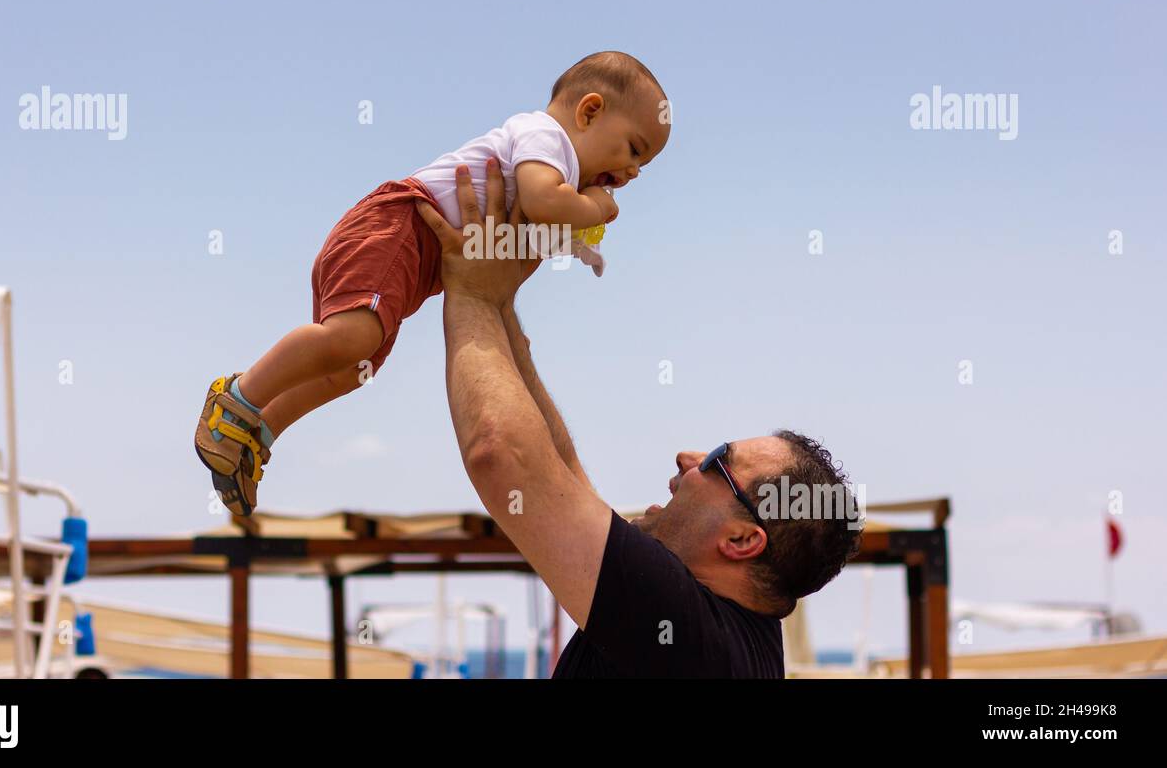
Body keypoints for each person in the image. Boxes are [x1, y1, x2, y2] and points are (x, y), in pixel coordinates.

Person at [414, 160, 864, 677]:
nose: (688, 456)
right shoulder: (714, 629)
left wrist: (468, 292)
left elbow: (502, 456)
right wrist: (500, 303)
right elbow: (559, 474)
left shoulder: (687, 632)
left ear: (741, 541)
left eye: (717, 461)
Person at [192, 51, 670, 516]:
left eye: (642, 168)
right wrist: (596, 209)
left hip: (416, 256)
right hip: (399, 223)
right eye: (633, 148)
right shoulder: (546, 137)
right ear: (590, 110)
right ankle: (234, 400)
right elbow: (544, 202)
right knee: (352, 338)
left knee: (355, 364)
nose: (631, 172)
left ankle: (258, 430)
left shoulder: (558, 163)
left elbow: (523, 237)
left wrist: (576, 241)